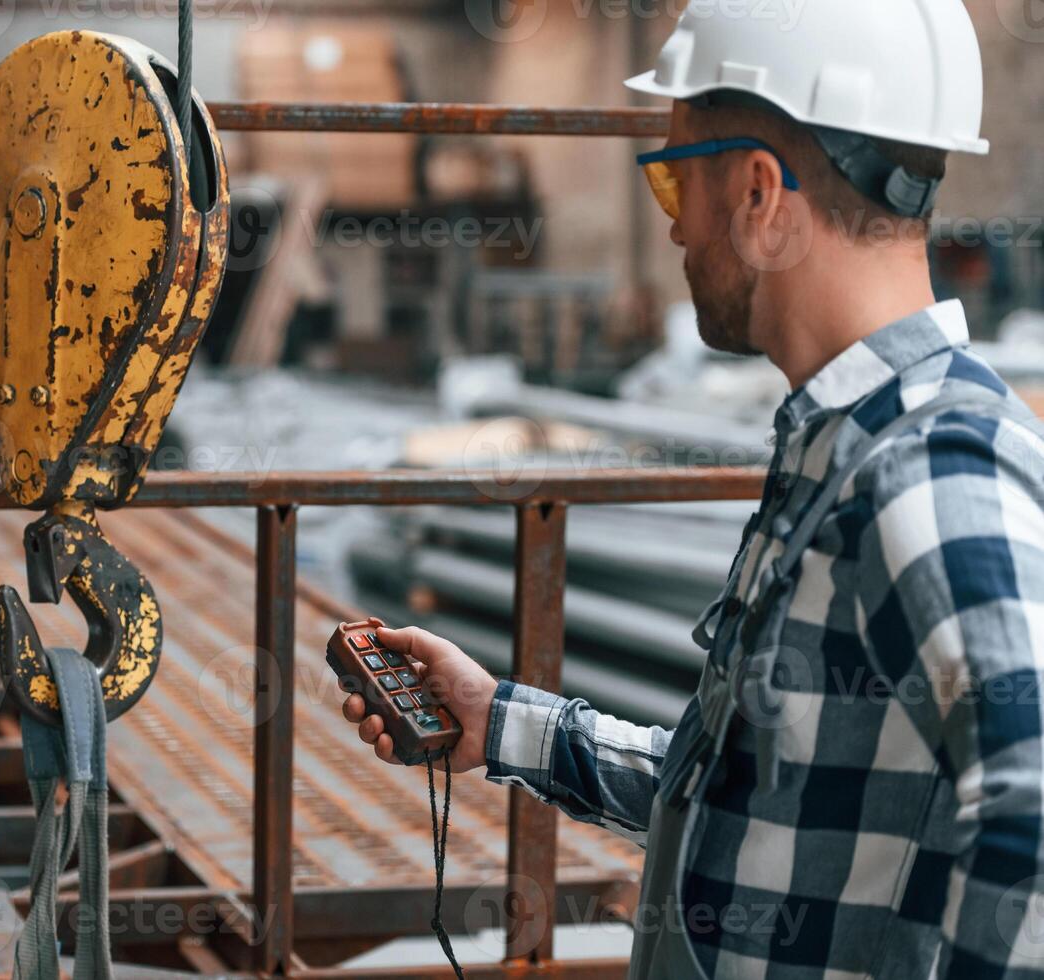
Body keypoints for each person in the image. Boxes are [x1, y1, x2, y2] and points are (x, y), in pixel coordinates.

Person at [342, 1, 1044, 976]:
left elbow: (1033, 805)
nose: (672, 233)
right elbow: (751, 802)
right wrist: (502, 722)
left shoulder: (930, 462)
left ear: (759, 195)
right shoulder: (839, 450)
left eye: (676, 185)